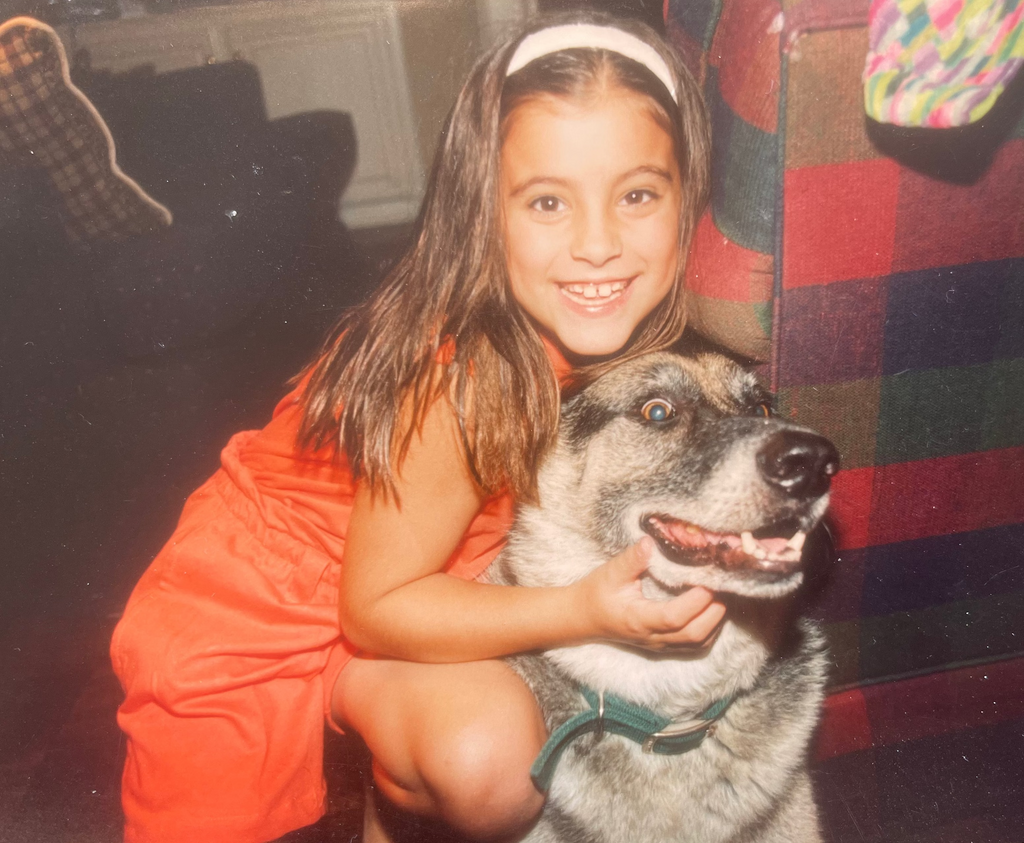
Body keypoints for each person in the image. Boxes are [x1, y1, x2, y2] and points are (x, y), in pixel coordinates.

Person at [110, 11, 721, 843]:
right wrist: (585, 607)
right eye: (547, 201)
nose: (598, 245)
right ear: (482, 211)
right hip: (250, 619)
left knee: (489, 761)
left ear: (688, 196)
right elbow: (376, 606)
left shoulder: (614, 323)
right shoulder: (461, 385)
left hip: (404, 589)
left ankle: (389, 811)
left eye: (638, 195)